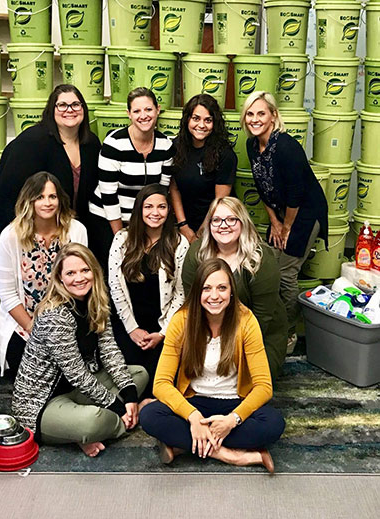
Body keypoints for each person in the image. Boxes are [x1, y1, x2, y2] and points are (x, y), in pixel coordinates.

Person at [140, 258, 285, 471]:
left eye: (222, 288)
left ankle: (184, 446)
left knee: (274, 423)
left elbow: (264, 386)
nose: (214, 296)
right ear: (197, 292)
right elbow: (161, 383)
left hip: (233, 402)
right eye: (207, 288)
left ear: (232, 291)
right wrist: (194, 418)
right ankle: (229, 454)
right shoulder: (181, 321)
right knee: (150, 415)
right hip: (194, 401)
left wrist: (231, 421)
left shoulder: (246, 320)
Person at [12, 243, 148, 458]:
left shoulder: (96, 303)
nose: (79, 278)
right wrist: (120, 408)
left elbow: (109, 351)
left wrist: (129, 397)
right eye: (71, 273)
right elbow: (75, 373)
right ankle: (114, 424)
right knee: (91, 422)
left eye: (85, 270)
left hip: (79, 391)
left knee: (138, 374)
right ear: (60, 278)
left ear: (94, 272)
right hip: (43, 405)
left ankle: (95, 428)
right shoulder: (55, 316)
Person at [241, 91, 328, 349]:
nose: (255, 119)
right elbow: (262, 187)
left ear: (273, 116)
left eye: (261, 113)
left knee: (286, 273)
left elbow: (296, 193)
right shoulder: (252, 145)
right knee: (268, 266)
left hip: (305, 211)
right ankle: (271, 323)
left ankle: (289, 332)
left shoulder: (287, 147)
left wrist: (287, 227)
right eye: (250, 114)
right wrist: (275, 223)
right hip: (281, 212)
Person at [0, 84, 100, 257]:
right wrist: (25, 232)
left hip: (48, 214)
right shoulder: (33, 141)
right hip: (1, 206)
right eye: (62, 105)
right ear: (51, 110)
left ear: (83, 109)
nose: (69, 110)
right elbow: (10, 189)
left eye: (76, 104)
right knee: (21, 265)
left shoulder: (91, 144)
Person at [182, 197, 287, 381]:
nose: (224, 225)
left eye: (231, 219)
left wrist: (232, 350)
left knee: (248, 383)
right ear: (209, 224)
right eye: (216, 220)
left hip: (258, 332)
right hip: (209, 330)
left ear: (243, 223)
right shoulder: (197, 253)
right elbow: (191, 305)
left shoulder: (261, 258)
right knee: (191, 379)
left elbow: (263, 317)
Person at [0, 172, 88, 378]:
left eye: (52, 197)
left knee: (71, 374)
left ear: (60, 199)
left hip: (66, 320)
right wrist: (34, 330)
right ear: (29, 201)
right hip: (24, 323)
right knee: (31, 375)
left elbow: (82, 283)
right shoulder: (10, 236)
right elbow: (7, 294)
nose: (47, 203)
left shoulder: (76, 231)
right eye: (40, 197)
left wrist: (60, 330)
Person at [109, 184, 189, 397]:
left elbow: (181, 294)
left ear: (169, 210)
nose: (155, 213)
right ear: (139, 210)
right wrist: (132, 329)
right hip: (127, 323)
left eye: (161, 207)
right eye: (149, 207)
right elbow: (115, 287)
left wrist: (162, 333)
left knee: (158, 385)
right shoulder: (122, 239)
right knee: (128, 379)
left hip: (163, 327)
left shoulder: (179, 243)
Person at [88, 87, 174, 267]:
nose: (143, 115)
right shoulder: (114, 144)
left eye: (148, 109)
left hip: (143, 219)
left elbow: (162, 192)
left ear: (157, 109)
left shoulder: (165, 145)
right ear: (129, 114)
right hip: (107, 218)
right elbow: (108, 196)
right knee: (114, 269)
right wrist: (121, 238)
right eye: (137, 111)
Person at [170, 94, 237, 242]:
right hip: (184, 223)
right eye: (196, 118)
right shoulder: (176, 146)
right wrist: (183, 225)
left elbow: (220, 200)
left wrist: (202, 231)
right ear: (187, 119)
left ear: (215, 124)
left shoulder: (224, 154)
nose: (201, 125)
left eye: (208, 120)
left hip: (217, 224)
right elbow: (174, 188)